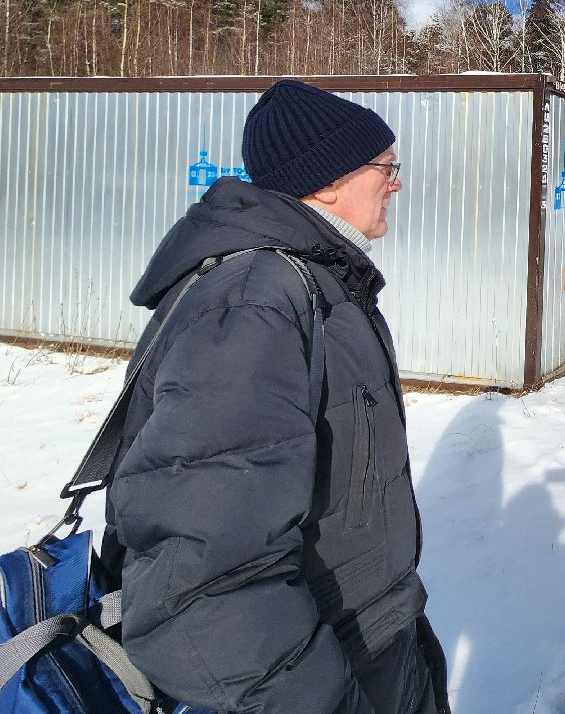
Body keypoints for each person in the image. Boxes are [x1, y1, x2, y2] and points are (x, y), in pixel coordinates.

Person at [103, 79, 448, 714]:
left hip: (370, 637)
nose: (396, 182)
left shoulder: (317, 284)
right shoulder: (257, 300)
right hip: (321, 669)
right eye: (386, 168)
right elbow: (206, 574)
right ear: (327, 181)